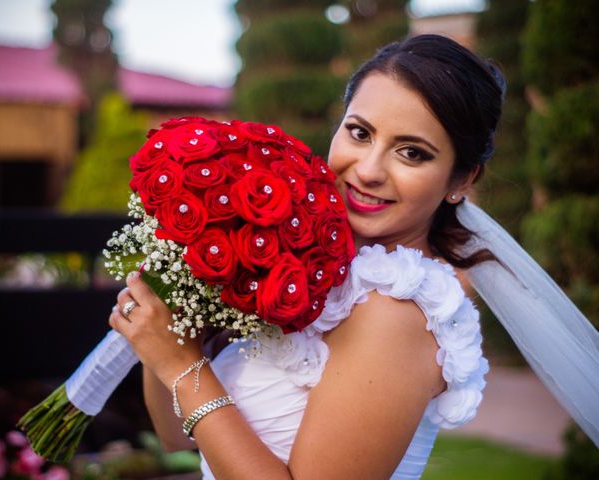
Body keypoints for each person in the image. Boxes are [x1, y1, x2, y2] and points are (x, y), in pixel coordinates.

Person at [108, 34, 599, 479]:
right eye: (360, 133)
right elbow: (179, 438)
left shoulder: (396, 312)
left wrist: (180, 366)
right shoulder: (307, 274)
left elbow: (189, 391)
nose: (367, 170)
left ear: (462, 179)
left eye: (412, 153)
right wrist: (173, 322)